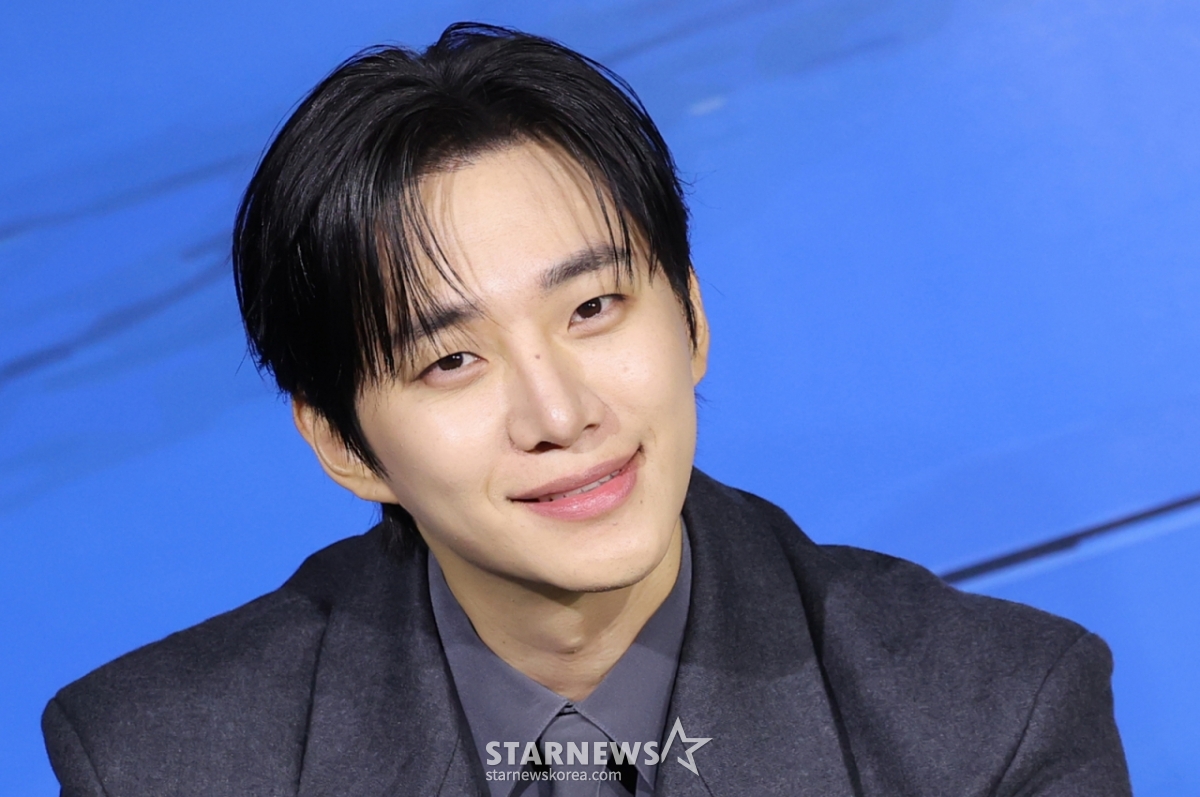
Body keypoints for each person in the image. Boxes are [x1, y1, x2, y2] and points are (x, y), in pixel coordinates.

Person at [42, 22, 1131, 796]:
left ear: (690, 317)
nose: (558, 413)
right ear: (342, 442)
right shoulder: (159, 762)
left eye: (594, 307)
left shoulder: (992, 720)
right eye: (451, 359)